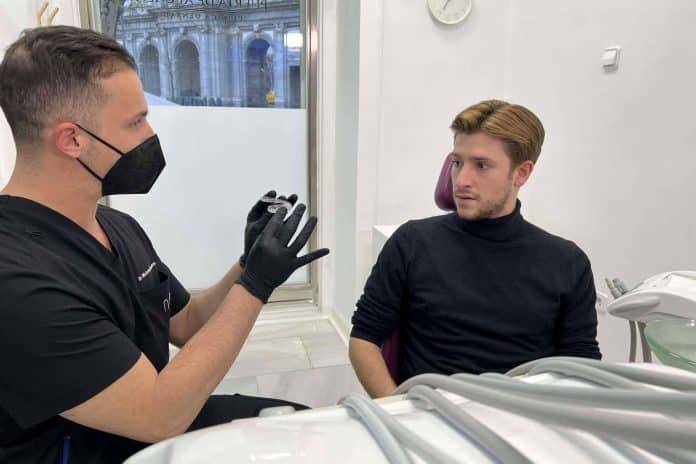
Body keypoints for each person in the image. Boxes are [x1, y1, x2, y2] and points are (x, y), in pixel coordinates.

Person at [0, 25, 329, 463]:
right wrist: (256, 288)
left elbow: (188, 323)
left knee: (301, 428)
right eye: (135, 122)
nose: (150, 134)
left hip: (148, 433)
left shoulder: (115, 225)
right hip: (103, 448)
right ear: (72, 140)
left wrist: (247, 263)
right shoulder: (17, 282)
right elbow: (160, 413)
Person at [349, 100, 601, 398]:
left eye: (481, 165)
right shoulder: (413, 243)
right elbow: (363, 339)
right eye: (457, 163)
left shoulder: (567, 263)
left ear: (521, 173)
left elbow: (579, 365)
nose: (461, 180)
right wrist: (396, 412)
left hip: (521, 414)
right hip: (426, 412)